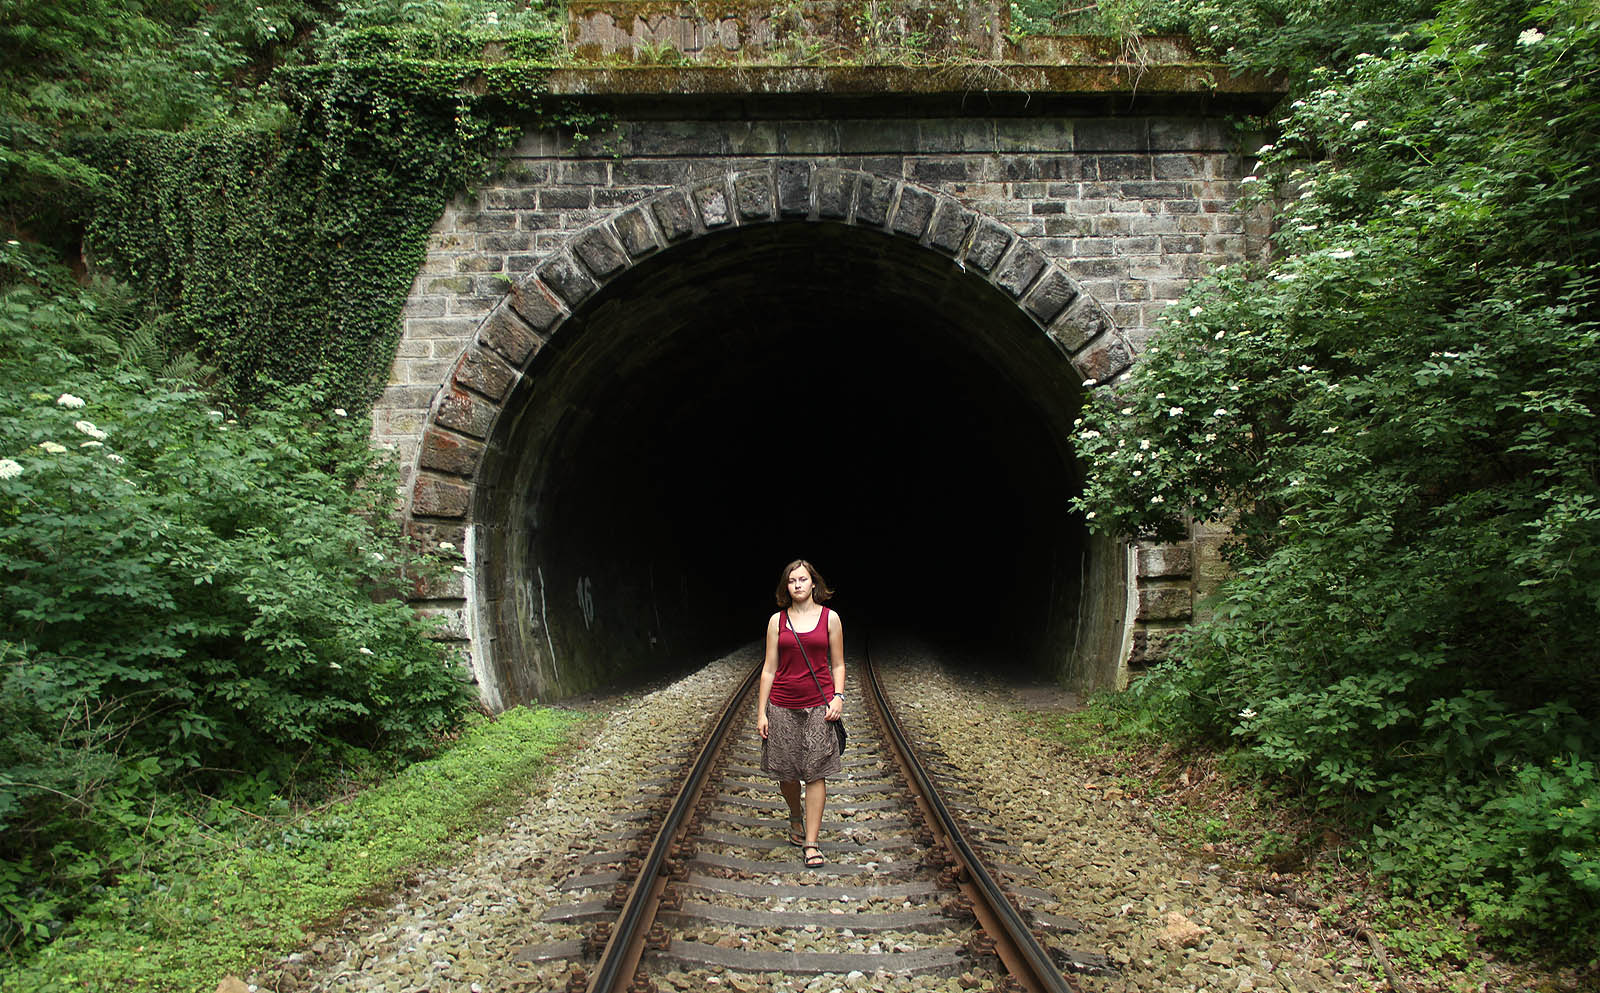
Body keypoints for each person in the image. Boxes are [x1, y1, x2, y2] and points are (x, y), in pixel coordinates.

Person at [757, 558, 845, 869]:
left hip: (819, 708)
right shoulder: (776, 622)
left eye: (803, 579)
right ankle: (795, 814)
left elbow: (838, 664)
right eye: (792, 580)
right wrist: (762, 712)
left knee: (816, 772)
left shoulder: (830, 619)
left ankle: (811, 842)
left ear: (813, 584)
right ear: (786, 587)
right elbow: (769, 669)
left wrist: (838, 697)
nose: (798, 584)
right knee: (788, 773)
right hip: (781, 705)